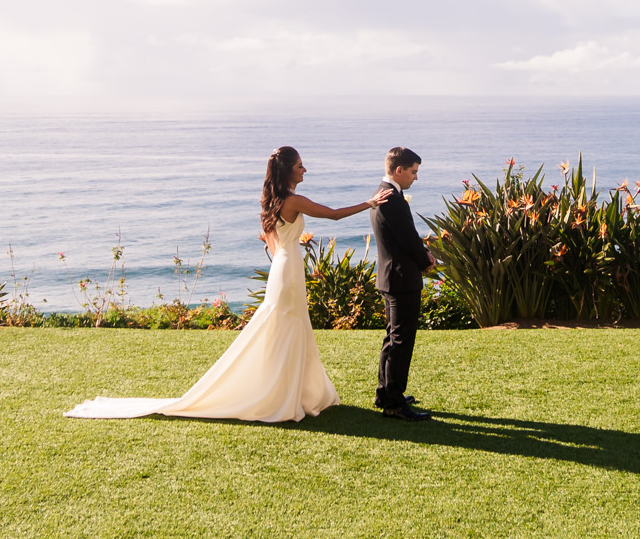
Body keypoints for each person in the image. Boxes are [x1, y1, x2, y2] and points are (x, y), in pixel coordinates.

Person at [64, 146, 384, 423]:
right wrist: (370, 203)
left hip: (283, 269)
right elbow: (334, 215)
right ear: (288, 170)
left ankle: (287, 392)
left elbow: (273, 248)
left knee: (286, 329)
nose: (305, 169)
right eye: (300, 165)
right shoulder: (293, 201)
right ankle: (281, 395)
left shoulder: (272, 203)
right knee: (286, 328)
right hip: (288, 271)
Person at [369, 146, 434, 421]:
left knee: (392, 337)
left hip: (390, 276)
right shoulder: (392, 200)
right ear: (399, 170)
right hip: (401, 278)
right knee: (400, 340)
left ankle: (387, 392)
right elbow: (408, 238)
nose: (415, 178)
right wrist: (426, 259)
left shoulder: (382, 193)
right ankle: (393, 402)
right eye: (413, 172)